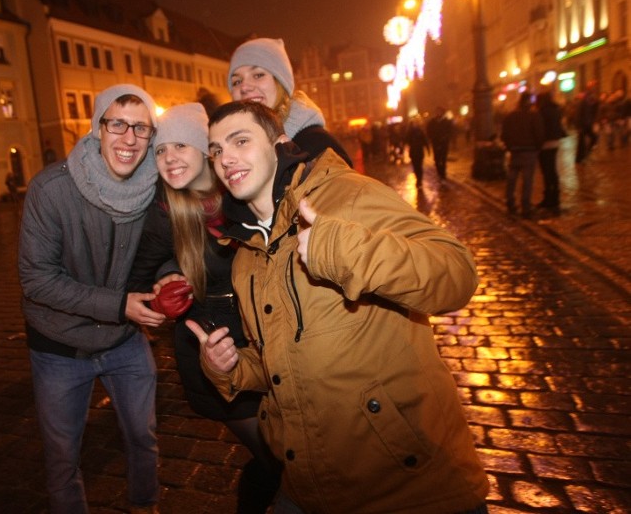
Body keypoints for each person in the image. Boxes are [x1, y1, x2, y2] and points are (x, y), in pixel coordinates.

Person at [188, 100, 488, 514]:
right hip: (306, 484)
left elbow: (456, 274)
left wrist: (347, 250)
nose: (226, 158)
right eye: (216, 150)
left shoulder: (347, 194)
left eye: (241, 140)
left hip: (407, 486)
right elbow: (278, 360)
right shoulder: (245, 255)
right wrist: (229, 368)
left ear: (279, 144)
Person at [18, 84, 164, 514]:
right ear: (97, 128)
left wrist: (169, 276)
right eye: (117, 123)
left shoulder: (155, 189)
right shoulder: (51, 189)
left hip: (123, 341)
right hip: (58, 347)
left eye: (141, 127)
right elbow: (36, 279)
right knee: (63, 456)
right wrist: (119, 305)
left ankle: (145, 505)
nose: (129, 138)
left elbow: (161, 253)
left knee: (143, 436)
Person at [129, 103, 280, 513]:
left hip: (269, 341)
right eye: (160, 150)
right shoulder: (164, 212)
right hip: (212, 347)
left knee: (286, 453)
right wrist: (164, 280)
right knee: (275, 457)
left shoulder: (244, 188)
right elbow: (139, 277)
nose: (169, 157)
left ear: (206, 150)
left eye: (180, 145)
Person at [227, 37, 352, 166]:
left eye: (258, 75)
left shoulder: (317, 145)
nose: (244, 87)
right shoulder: (232, 154)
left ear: (281, 82)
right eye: (237, 81)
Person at [501, 92, 545, 218]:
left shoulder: (510, 116)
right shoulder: (534, 116)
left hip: (515, 151)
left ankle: (510, 202)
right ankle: (525, 207)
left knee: (512, 179)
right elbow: (539, 134)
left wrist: (510, 146)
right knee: (527, 181)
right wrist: (538, 148)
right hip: (529, 151)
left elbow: (504, 135)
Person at [535, 92, 565, 213]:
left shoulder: (542, 112)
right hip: (555, 142)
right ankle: (556, 197)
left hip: (545, 143)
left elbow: (540, 129)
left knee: (547, 171)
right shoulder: (556, 110)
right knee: (552, 170)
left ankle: (548, 198)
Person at [426, 106, 454, 181]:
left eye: (440, 111)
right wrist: (432, 138)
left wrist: (446, 138)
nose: (438, 113)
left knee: (443, 158)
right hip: (436, 143)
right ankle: (439, 171)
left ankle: (443, 173)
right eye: (437, 111)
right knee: (437, 159)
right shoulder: (432, 122)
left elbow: (450, 131)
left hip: (444, 143)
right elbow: (428, 131)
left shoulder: (446, 121)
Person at [405, 118, 432, 188]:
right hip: (413, 152)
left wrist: (428, 149)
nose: (415, 124)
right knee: (415, 167)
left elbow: (425, 141)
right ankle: (418, 179)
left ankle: (419, 180)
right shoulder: (410, 132)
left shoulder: (420, 131)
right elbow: (406, 140)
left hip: (419, 151)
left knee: (419, 167)